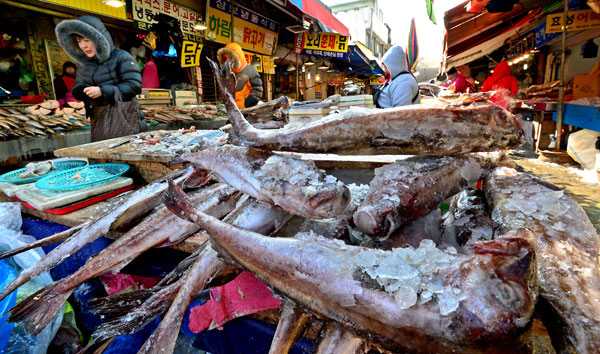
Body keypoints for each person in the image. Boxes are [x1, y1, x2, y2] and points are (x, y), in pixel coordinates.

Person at [55, 15, 142, 141]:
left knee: (127, 154)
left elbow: (134, 86)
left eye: (87, 40)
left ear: (99, 38)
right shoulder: (85, 66)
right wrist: (82, 91)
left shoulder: (121, 57)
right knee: (104, 154)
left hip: (126, 118)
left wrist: (102, 91)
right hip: (99, 119)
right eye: (79, 41)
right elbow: (78, 87)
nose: (83, 46)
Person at [217, 42, 263, 109]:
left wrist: (246, 105)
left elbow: (257, 91)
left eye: (230, 58)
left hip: (246, 111)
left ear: (237, 57)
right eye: (226, 59)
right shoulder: (229, 74)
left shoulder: (250, 71)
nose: (228, 61)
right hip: (233, 110)